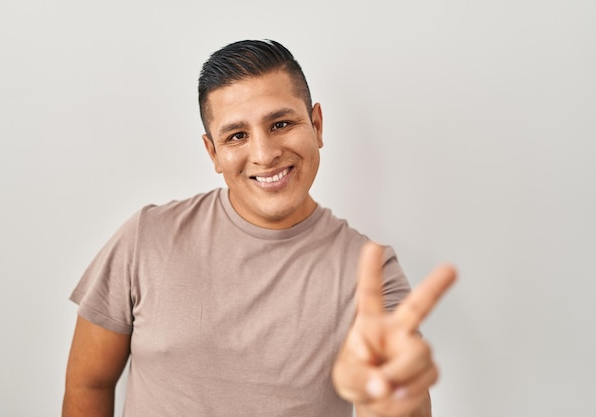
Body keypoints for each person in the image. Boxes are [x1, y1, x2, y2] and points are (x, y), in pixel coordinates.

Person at [62, 39, 456, 417]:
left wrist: (385, 394)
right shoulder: (146, 237)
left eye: (281, 123)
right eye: (237, 135)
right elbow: (89, 384)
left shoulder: (370, 272)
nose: (265, 155)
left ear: (317, 125)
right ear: (213, 152)